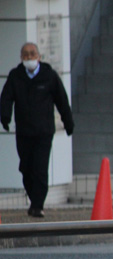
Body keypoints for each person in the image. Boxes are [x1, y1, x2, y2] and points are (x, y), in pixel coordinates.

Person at [1, 42, 74, 218]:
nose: (29, 57)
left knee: (40, 169)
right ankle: (34, 198)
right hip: (24, 132)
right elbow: (6, 98)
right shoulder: (16, 76)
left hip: (44, 132)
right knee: (26, 168)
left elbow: (62, 100)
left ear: (39, 56)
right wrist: (5, 117)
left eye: (32, 54)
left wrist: (68, 122)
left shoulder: (49, 75)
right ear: (21, 58)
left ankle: (37, 205)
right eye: (25, 54)